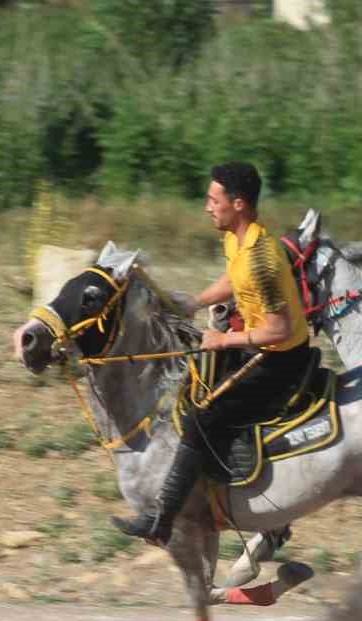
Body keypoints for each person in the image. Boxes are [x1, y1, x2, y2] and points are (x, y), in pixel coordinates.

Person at [112, 161, 314, 547]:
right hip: (256, 346)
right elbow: (234, 281)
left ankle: (164, 520)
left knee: (204, 417)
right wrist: (194, 301)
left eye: (213, 200)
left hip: (280, 359)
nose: (207, 207)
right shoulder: (236, 241)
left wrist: (222, 341)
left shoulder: (262, 257)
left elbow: (281, 328)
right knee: (195, 388)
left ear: (237, 204)